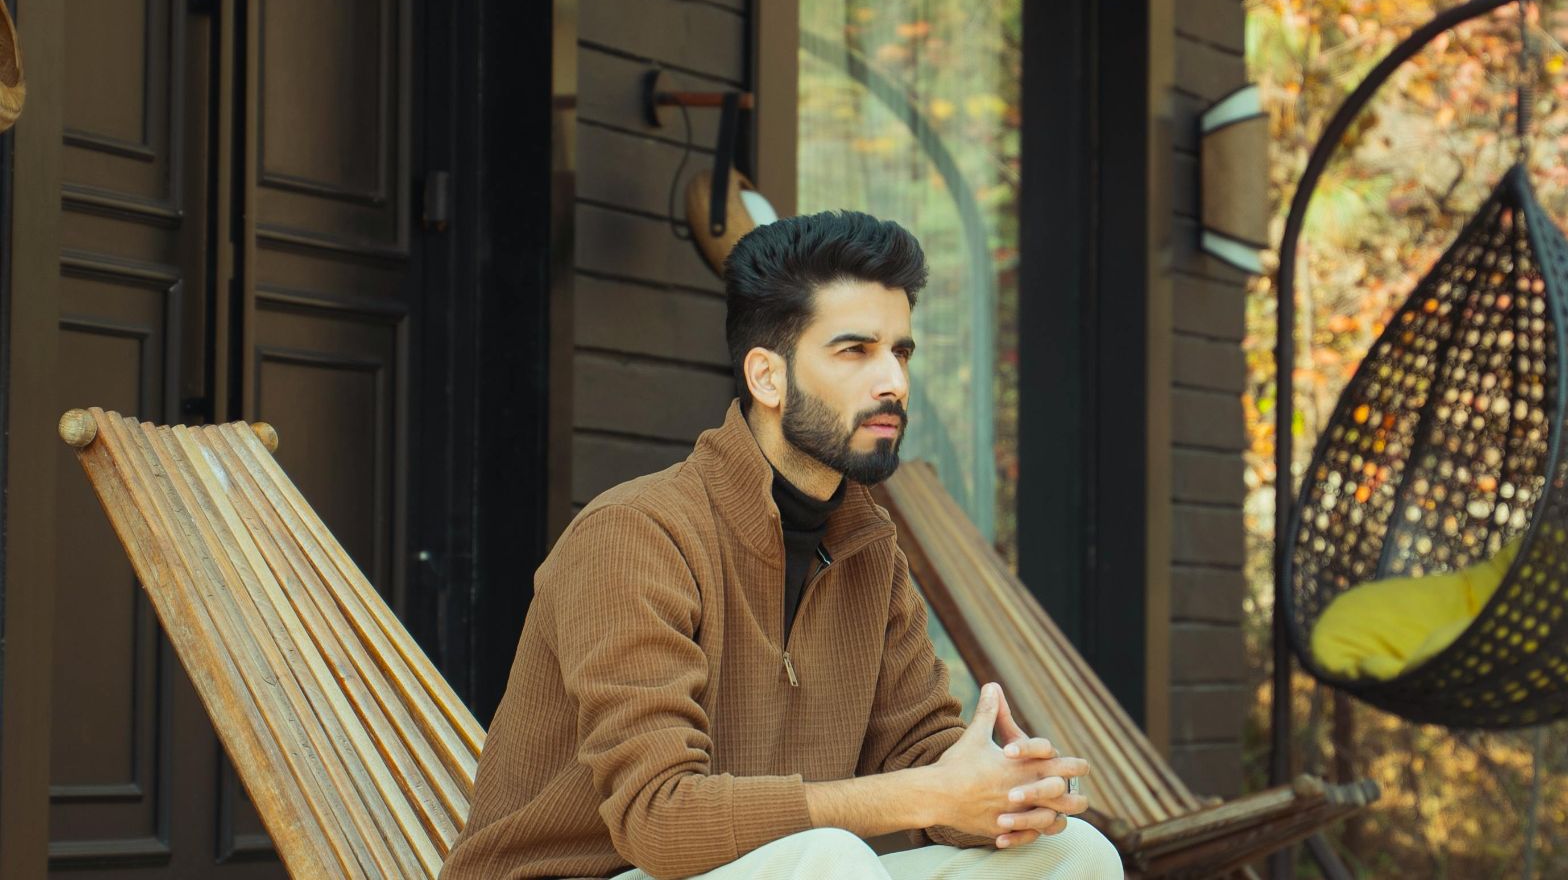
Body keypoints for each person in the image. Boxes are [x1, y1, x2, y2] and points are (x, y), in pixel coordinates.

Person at [442, 212, 1121, 880]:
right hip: (590, 873)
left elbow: (920, 760)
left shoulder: (869, 552)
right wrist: (923, 794)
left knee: (1077, 855)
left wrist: (1002, 793)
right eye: (855, 350)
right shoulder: (635, 534)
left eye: (901, 351)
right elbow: (659, 819)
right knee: (828, 858)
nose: (894, 382)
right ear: (766, 377)